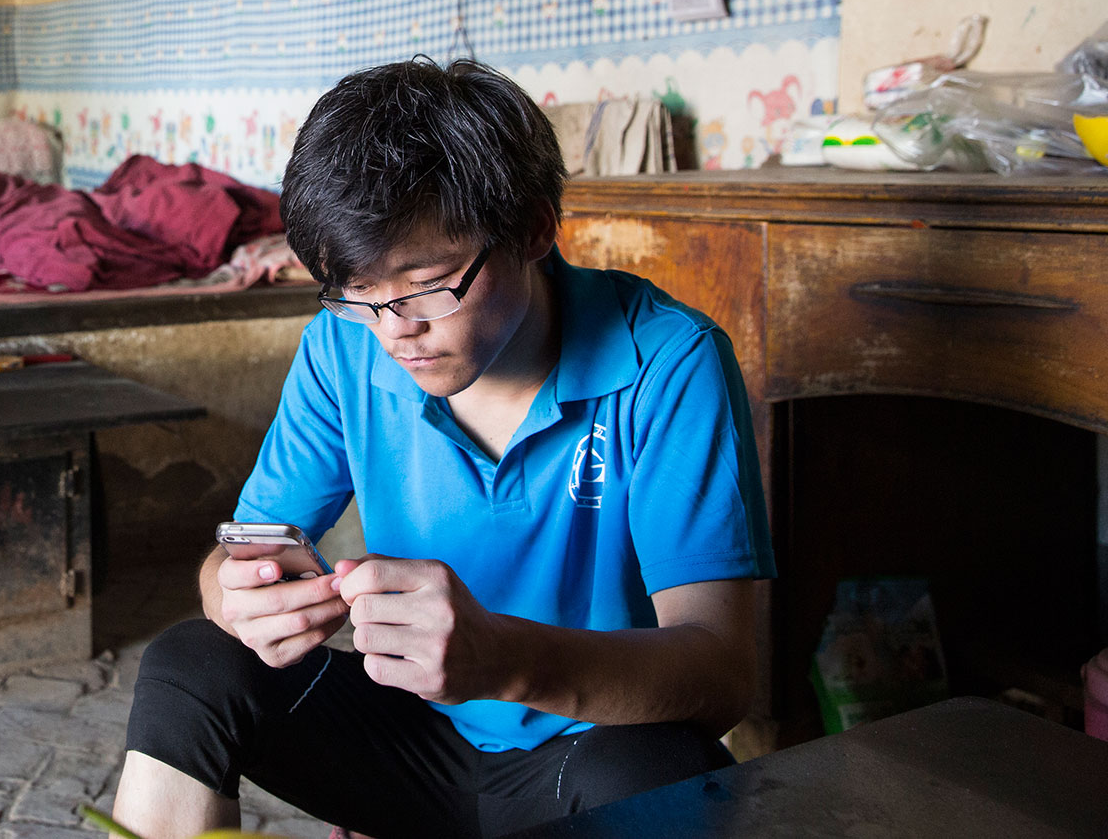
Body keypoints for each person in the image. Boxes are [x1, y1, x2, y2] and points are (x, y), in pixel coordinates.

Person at [113, 59, 773, 839]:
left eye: (427, 283)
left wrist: (507, 662)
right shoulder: (343, 346)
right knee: (191, 665)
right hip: (412, 742)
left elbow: (724, 673)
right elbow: (239, 553)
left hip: (582, 751)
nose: (395, 330)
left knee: (666, 773)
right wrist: (241, 596)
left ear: (531, 226)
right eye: (357, 291)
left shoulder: (667, 361)